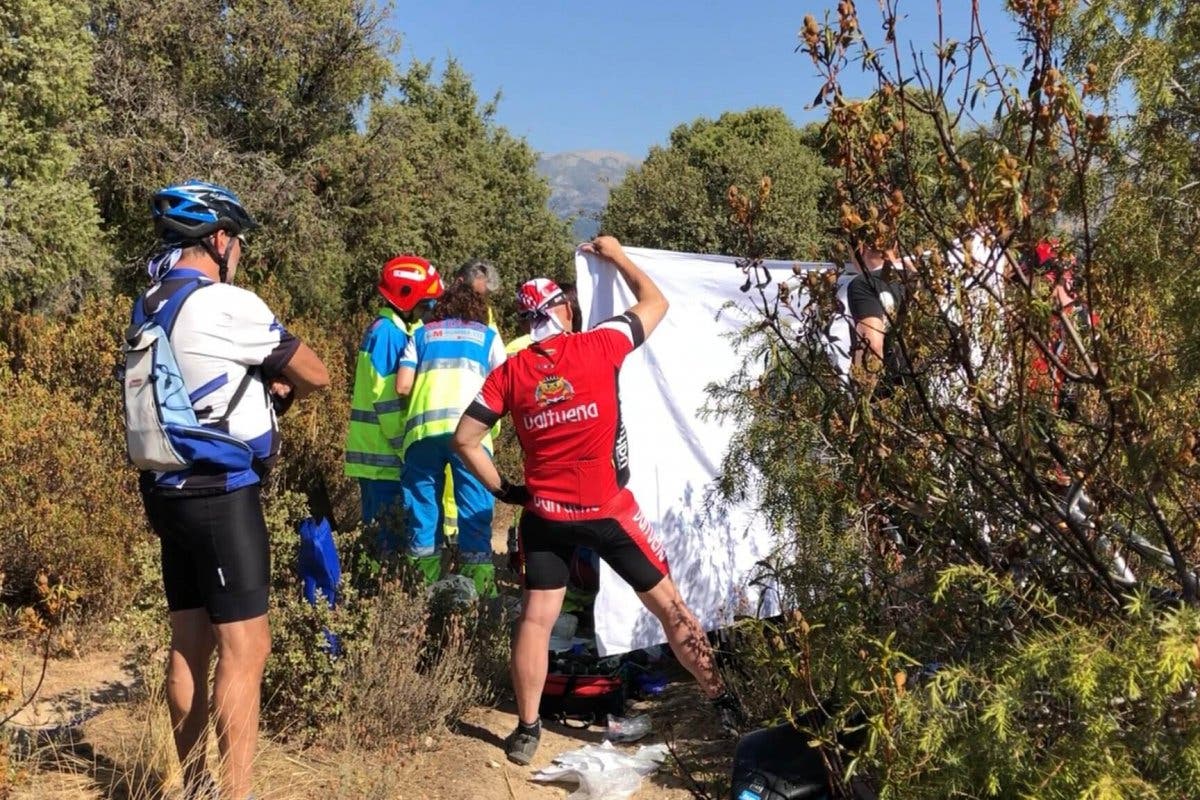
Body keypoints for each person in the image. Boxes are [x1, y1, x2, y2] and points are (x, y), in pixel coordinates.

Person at [452, 235, 743, 766]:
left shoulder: (509, 374)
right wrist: (619, 258)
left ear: (524, 320)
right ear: (562, 311)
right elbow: (656, 303)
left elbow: (464, 439)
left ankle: (526, 730)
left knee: (536, 622)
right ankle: (723, 704)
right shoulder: (599, 345)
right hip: (609, 512)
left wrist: (505, 491)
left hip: (544, 515)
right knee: (672, 609)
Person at [137, 181, 329, 800]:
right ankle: (237, 794)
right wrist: (275, 378)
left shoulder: (151, 300)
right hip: (221, 493)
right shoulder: (228, 302)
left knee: (188, 642)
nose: (239, 251)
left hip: (165, 489)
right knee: (246, 648)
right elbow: (316, 373)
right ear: (218, 239)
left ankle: (195, 786)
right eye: (237, 239)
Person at [396, 282, 507, 596]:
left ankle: (420, 590)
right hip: (470, 434)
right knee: (474, 510)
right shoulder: (488, 337)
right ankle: (482, 595)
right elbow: (504, 381)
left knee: (422, 509)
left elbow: (403, 386)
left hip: (423, 433)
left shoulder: (421, 334)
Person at [344, 255, 444, 553]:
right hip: (384, 456)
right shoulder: (388, 335)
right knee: (388, 541)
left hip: (376, 456)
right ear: (407, 298)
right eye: (426, 304)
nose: (430, 310)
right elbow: (387, 401)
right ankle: (382, 595)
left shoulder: (389, 330)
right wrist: (407, 447)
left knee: (381, 537)